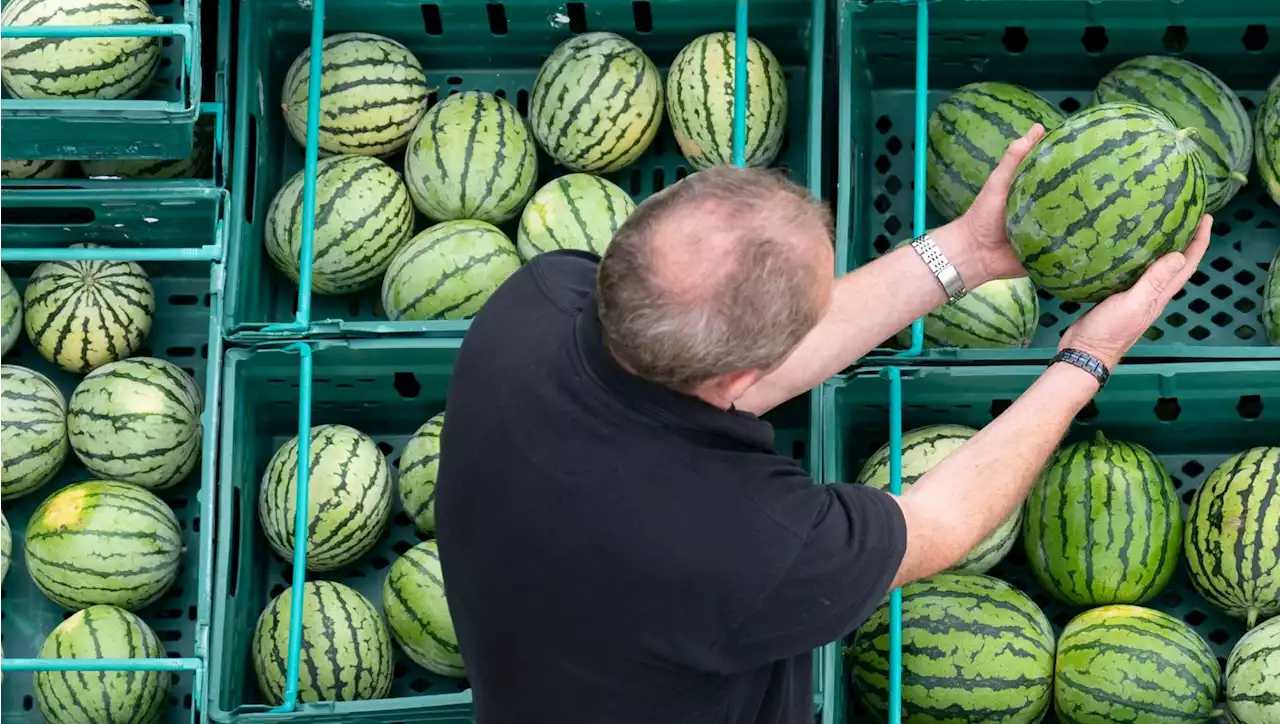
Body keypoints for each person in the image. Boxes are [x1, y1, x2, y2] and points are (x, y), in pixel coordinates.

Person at [434, 124, 1213, 724]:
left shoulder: (534, 301)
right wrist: (1087, 358)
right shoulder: (744, 546)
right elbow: (941, 524)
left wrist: (967, 251)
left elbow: (731, 359)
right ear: (740, 378)